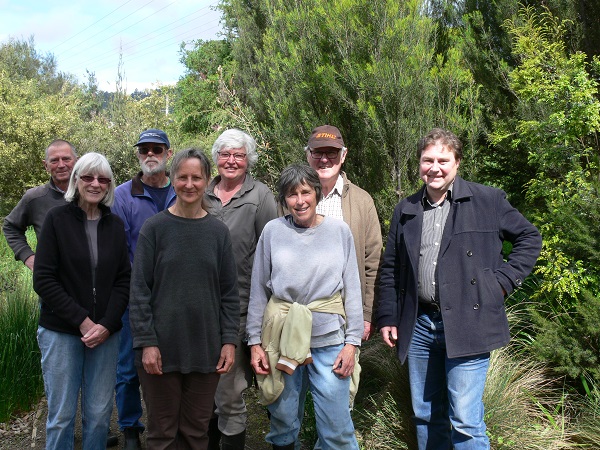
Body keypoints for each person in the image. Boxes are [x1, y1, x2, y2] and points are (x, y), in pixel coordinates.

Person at [377, 128, 542, 449]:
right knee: (425, 415)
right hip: (420, 325)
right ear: (419, 164)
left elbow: (529, 238)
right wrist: (388, 316)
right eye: (428, 160)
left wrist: (502, 284)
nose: (434, 168)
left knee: (465, 420)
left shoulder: (487, 200)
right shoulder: (406, 210)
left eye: (443, 160)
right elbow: (391, 268)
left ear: (457, 163)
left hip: (470, 322)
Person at [129, 148, 240, 450]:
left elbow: (229, 294)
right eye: (182, 177)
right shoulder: (155, 229)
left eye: (196, 178)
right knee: (162, 434)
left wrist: (229, 341)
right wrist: (147, 343)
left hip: (205, 349)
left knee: (195, 433)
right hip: (160, 351)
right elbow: (139, 291)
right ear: (173, 179)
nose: (189, 184)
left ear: (207, 181)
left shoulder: (217, 232)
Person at [247, 164, 363, 450]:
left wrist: (352, 343)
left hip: (329, 341)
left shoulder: (339, 231)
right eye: (291, 194)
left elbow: (353, 289)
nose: (299, 201)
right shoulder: (273, 231)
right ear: (284, 199)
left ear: (317, 193)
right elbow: (259, 289)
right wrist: (254, 342)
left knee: (337, 426)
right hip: (282, 338)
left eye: (305, 192)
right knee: (283, 420)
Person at [33, 152, 130, 450]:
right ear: (76, 180)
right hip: (61, 331)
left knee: (99, 414)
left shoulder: (115, 225)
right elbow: (44, 279)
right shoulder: (56, 220)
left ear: (109, 185)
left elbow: (123, 280)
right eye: (88, 177)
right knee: (61, 416)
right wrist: (83, 321)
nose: (95, 183)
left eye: (103, 179)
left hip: (105, 335)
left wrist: (106, 324)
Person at [205, 129, 278, 449]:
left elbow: (271, 253)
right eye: (225, 154)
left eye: (239, 155)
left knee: (229, 392)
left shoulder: (260, 196)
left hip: (239, 310)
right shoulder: (201, 192)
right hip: (199, 310)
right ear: (216, 158)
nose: (231, 161)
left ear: (249, 160)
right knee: (203, 393)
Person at [112, 128, 176, 450]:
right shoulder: (123, 195)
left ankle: (168, 424)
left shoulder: (182, 189)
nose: (150, 154)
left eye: (157, 148)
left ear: (168, 153)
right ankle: (130, 428)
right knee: (128, 366)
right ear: (137, 154)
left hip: (176, 296)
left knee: (172, 362)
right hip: (134, 297)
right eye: (144, 149)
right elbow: (119, 249)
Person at [304, 125, 382, 341]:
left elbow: (373, 261)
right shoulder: (291, 200)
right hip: (299, 313)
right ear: (308, 155)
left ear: (343, 155)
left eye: (332, 152)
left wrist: (367, 314)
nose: (324, 159)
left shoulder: (362, 201)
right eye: (317, 152)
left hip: (347, 314)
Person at [3, 139, 77, 271]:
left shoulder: (92, 194)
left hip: (92, 278)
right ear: (46, 165)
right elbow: (10, 226)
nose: (61, 165)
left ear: (77, 161)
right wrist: (27, 256)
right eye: (54, 160)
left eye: (66, 159)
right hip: (52, 278)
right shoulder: (35, 198)